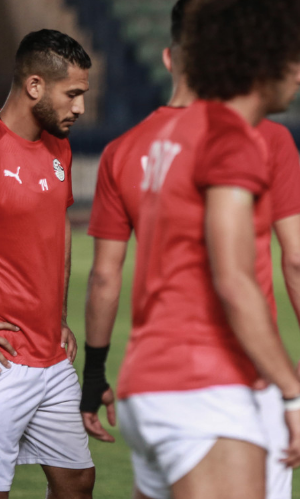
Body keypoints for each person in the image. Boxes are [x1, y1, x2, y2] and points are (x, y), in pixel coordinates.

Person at [81, 1, 300, 496]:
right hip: (206, 389)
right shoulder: (232, 140)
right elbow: (234, 280)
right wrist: (292, 395)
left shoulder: (169, 134)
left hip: (148, 385)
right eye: (292, 59)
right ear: (258, 61)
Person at [0, 29, 94, 498]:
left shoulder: (60, 147)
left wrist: (56, 316)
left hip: (52, 355)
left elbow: (57, 231)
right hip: (6, 360)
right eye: (72, 94)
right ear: (35, 86)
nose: (79, 108)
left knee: (77, 482)